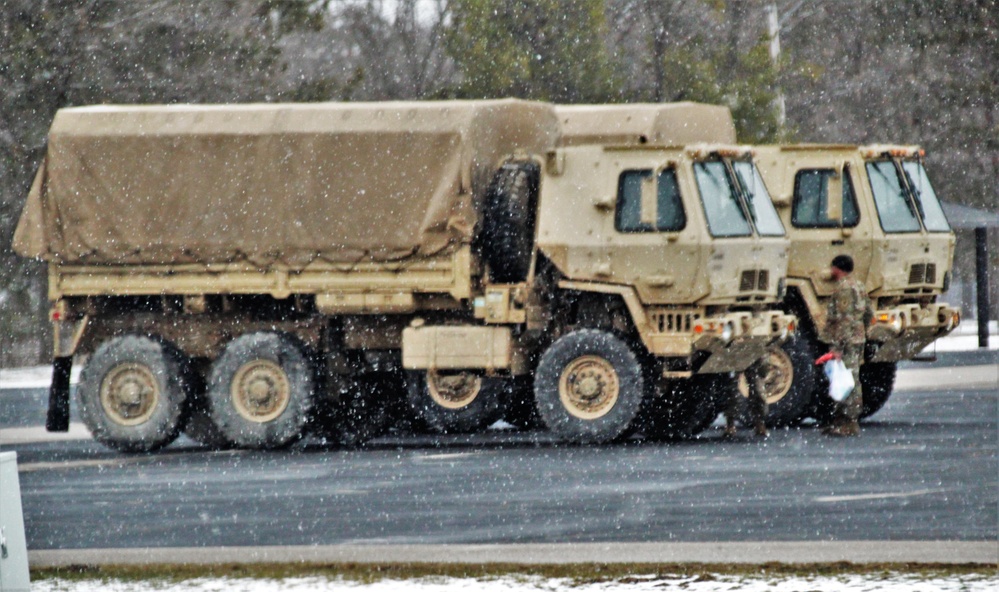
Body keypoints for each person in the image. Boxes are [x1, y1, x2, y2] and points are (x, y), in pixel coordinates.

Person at [822, 254, 874, 437]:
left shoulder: (844, 288)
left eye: (832, 267)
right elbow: (868, 313)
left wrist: (837, 347)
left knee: (847, 380)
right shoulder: (859, 286)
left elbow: (843, 320)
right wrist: (863, 332)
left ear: (837, 269)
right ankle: (841, 420)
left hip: (846, 341)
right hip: (856, 339)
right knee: (848, 378)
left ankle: (850, 422)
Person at [723, 364, 769, 438]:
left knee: (757, 390)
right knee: (732, 390)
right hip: (735, 356)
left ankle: (759, 422)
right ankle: (730, 424)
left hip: (754, 356)